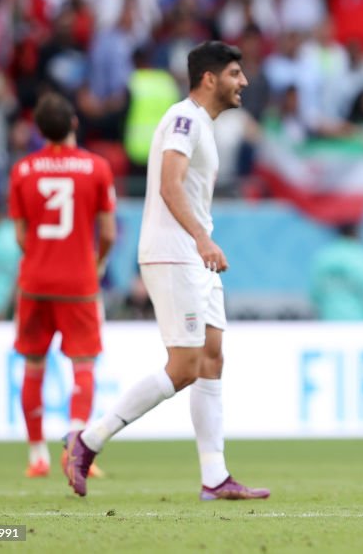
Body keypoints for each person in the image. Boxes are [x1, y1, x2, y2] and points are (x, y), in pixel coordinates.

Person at [64, 41, 269, 501]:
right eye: (236, 73)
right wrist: (202, 238)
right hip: (176, 253)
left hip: (195, 255)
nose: (245, 82)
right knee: (184, 367)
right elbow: (169, 185)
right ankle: (88, 440)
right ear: (210, 78)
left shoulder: (205, 126)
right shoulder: (184, 119)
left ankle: (214, 477)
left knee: (213, 356)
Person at [8, 93, 117, 478]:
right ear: (74, 123)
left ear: (38, 130)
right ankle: (76, 448)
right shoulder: (97, 168)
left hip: (35, 282)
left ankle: (37, 455)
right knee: (83, 365)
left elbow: (20, 235)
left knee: (34, 366)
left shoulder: (23, 170)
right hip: (79, 283)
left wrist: (41, 255)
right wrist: (96, 261)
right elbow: (108, 231)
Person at [309, 222, 363, 321]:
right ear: (357, 231)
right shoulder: (362, 257)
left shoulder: (324, 257)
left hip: (329, 323)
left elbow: (314, 295)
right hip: (359, 324)